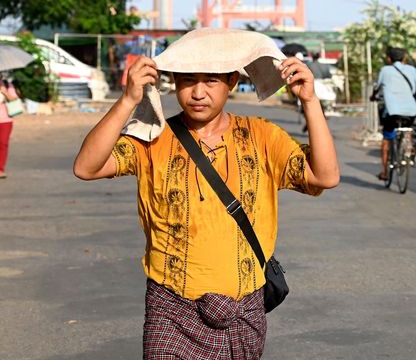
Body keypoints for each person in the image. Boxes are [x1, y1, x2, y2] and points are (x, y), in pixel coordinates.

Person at [73, 29, 339, 359]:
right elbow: (86, 167)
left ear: (231, 81)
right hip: (170, 308)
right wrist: (128, 99)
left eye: (211, 80)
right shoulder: (154, 138)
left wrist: (310, 102)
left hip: (244, 310)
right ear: (173, 82)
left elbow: (324, 176)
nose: (198, 93)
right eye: (187, 80)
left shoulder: (263, 136)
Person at [371, 47, 416, 181]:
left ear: (389, 59)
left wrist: (373, 96)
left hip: (392, 111)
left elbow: (377, 87)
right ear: (405, 59)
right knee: (408, 130)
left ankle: (384, 172)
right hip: (411, 110)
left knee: (386, 139)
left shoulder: (385, 70)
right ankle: (408, 150)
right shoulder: (412, 70)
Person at [0, 78, 19, 179]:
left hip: (5, 120)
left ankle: (1, 169)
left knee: (3, 143)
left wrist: (5, 92)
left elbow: (14, 99)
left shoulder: (7, 84)